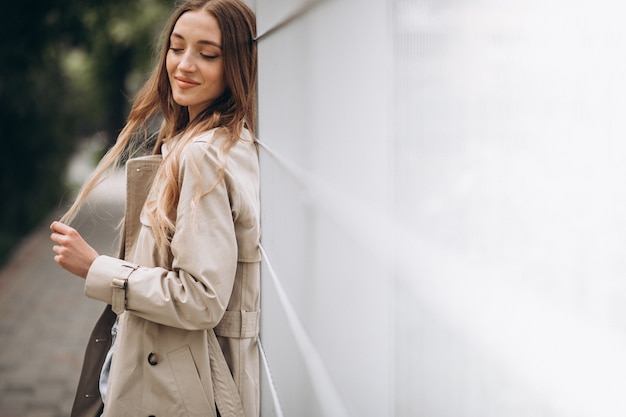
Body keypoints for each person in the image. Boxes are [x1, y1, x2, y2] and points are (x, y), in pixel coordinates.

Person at [49, 1, 260, 416]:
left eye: (207, 53)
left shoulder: (203, 156)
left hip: (177, 388)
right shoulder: (201, 143)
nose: (184, 64)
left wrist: (96, 268)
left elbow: (201, 297)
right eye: (177, 47)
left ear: (236, 63)